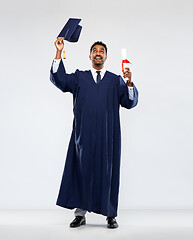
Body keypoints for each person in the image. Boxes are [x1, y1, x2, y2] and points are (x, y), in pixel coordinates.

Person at [50, 37, 139, 229]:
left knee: (108, 173)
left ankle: (110, 214)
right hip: (84, 134)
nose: (98, 54)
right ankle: (80, 214)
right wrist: (59, 52)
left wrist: (129, 83)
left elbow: (129, 103)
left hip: (108, 135)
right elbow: (60, 80)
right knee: (82, 170)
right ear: (90, 55)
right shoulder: (80, 77)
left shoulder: (116, 80)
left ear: (106, 56)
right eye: (95, 51)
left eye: (102, 51)